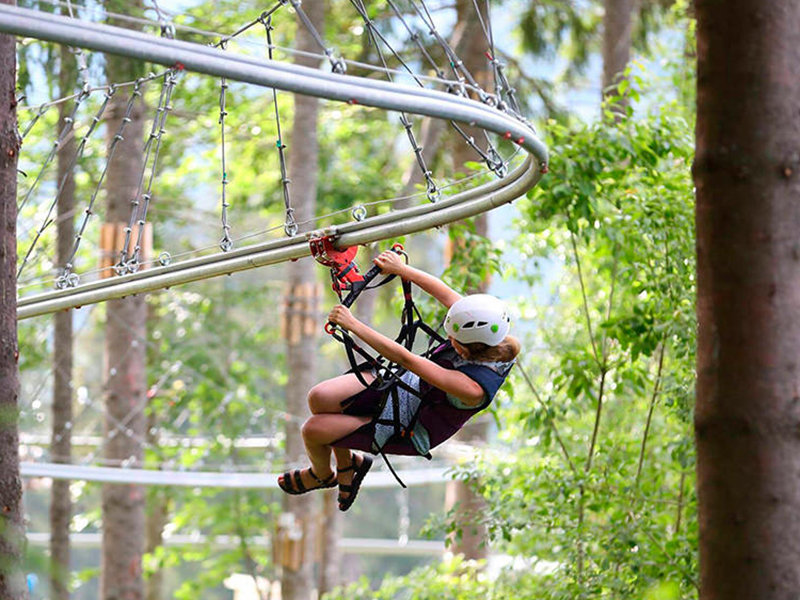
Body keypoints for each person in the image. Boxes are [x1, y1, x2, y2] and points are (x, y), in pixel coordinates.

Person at [278, 249, 520, 511]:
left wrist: (354, 325)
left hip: (411, 426)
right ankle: (349, 465)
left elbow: (408, 359)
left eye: (452, 338)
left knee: (313, 430)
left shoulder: (472, 389)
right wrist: (400, 269)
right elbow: (445, 293)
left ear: (464, 349)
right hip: (408, 385)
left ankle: (322, 474)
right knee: (320, 397)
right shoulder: (490, 331)